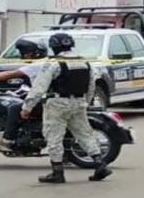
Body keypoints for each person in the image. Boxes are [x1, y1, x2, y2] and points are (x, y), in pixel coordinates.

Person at [21, 33, 111, 184]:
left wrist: (27, 107)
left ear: (54, 46)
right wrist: (85, 103)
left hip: (57, 104)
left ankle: (57, 172)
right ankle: (100, 164)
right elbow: (91, 86)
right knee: (84, 134)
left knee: (53, 136)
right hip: (79, 102)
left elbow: (39, 87)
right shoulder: (85, 63)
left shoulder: (54, 63)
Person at [0, 39, 48, 150]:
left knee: (14, 109)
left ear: (34, 53)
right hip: (51, 99)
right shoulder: (46, 62)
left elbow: (11, 74)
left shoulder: (38, 65)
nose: (23, 56)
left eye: (25, 53)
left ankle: (7, 140)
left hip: (48, 102)